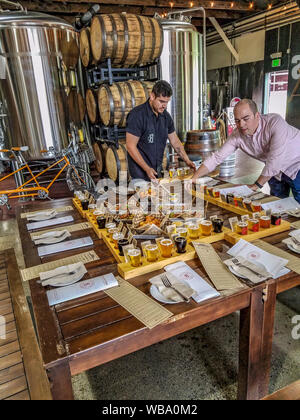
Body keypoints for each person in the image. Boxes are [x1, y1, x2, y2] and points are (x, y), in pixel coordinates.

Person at [190, 98, 300, 203]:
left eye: (246, 119)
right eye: (237, 121)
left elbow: (275, 160)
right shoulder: (237, 135)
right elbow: (216, 157)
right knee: (278, 209)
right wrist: (194, 178)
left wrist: (256, 185)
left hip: (296, 165)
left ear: (257, 115)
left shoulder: (275, 123)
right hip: (273, 173)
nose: (241, 125)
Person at [126, 80, 196, 182]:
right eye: (161, 101)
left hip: (157, 172)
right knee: (144, 197)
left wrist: (187, 160)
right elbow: (130, 146)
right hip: (140, 174)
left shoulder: (166, 117)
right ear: (152, 96)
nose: (164, 106)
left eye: (166, 102)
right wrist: (146, 168)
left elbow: (175, 141)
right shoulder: (137, 115)